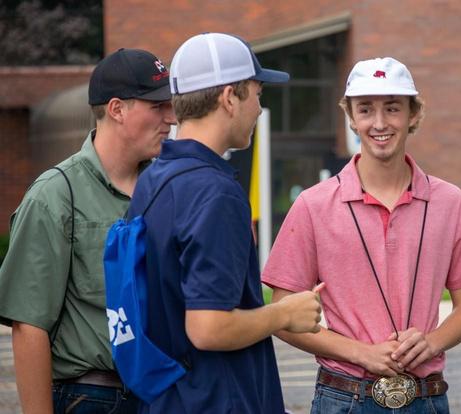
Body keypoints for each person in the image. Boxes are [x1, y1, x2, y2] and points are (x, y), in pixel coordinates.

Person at [262, 57, 461, 413]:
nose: (379, 123)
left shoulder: (450, 201)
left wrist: (432, 342)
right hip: (343, 398)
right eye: (365, 109)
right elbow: (280, 314)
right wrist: (360, 352)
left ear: (413, 114)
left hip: (427, 398)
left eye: (392, 108)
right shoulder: (313, 204)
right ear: (351, 117)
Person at [127, 32, 323, 414]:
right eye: (258, 94)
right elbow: (208, 328)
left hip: (167, 397)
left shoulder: (154, 178)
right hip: (216, 399)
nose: (259, 109)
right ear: (230, 97)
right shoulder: (214, 192)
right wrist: (285, 313)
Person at [0, 48, 176, 413]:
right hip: (92, 397)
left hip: (163, 393)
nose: (171, 118)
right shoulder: (55, 195)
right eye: (158, 106)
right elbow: (29, 326)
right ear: (117, 109)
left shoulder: (168, 188)